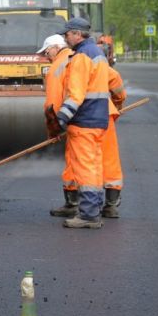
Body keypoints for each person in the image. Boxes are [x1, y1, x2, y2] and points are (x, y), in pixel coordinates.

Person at [51, 17, 111, 229]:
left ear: (77, 34)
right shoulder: (98, 53)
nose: (65, 38)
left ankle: (88, 215)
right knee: (93, 167)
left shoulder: (81, 57)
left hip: (84, 121)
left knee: (85, 168)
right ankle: (93, 209)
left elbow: (76, 95)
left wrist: (61, 119)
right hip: (98, 119)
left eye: (67, 34)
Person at [38, 33, 78, 217]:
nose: (47, 57)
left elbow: (52, 105)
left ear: (55, 47)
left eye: (47, 52)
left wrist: (53, 130)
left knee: (73, 161)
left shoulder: (57, 67)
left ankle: (73, 204)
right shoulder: (80, 57)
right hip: (98, 115)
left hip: (76, 120)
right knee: (97, 161)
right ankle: (104, 205)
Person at [99, 38, 127, 218]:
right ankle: (110, 205)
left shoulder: (78, 68)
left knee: (85, 159)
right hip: (105, 115)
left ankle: (81, 203)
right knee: (109, 158)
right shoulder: (109, 72)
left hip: (82, 118)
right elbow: (119, 95)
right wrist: (116, 108)